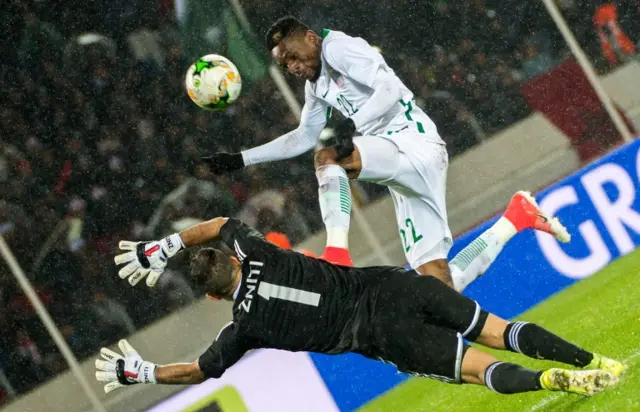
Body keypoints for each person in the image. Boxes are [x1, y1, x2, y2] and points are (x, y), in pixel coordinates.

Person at [200, 16, 570, 293]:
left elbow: (390, 89)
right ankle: (516, 217)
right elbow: (302, 136)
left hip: (411, 142)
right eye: (285, 66)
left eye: (294, 56)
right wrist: (240, 159)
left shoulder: (339, 48)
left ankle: (337, 253)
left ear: (311, 39)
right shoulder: (318, 83)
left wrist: (351, 126)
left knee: (327, 158)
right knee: (442, 290)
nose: (293, 67)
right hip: (397, 164)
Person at [98, 217, 625, 396]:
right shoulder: (255, 248)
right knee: (495, 328)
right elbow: (216, 223)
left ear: (213, 296)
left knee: (477, 368)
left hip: (377, 333)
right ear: (230, 258)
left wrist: (139, 372)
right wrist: (165, 246)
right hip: (393, 287)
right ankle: (593, 362)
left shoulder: (244, 328)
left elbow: (197, 371)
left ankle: (553, 383)